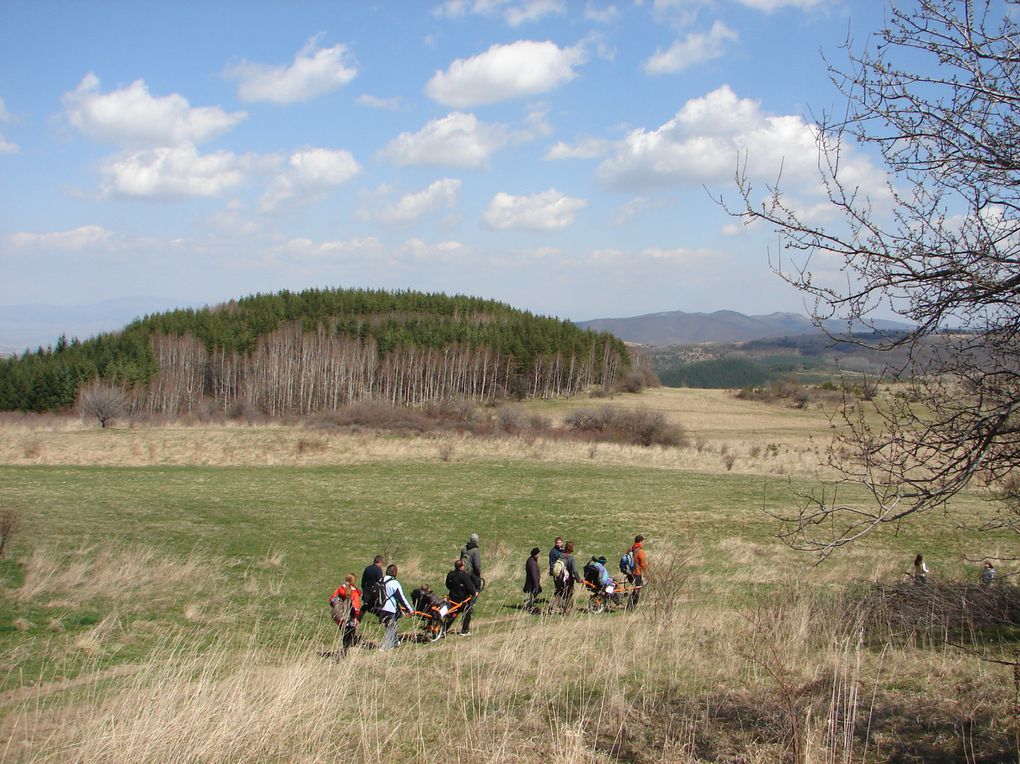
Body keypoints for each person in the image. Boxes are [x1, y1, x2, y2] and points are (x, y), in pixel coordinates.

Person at [376, 564, 413, 650]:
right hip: (389, 608)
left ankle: (396, 642)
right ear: (395, 573)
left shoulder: (381, 580)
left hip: (380, 608)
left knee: (391, 625)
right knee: (391, 627)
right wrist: (409, 609)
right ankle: (385, 647)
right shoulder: (394, 583)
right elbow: (401, 598)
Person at [329, 574, 363, 652]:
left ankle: (343, 651)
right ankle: (345, 653)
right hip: (351, 618)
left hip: (341, 618)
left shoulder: (340, 589)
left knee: (344, 635)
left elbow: (331, 600)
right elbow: (356, 608)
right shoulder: (354, 592)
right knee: (350, 637)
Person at [445, 559, 479, 635]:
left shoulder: (450, 574)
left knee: (452, 614)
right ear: (461, 567)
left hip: (453, 597)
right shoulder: (464, 576)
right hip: (463, 599)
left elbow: (447, 584)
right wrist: (473, 593)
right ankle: (465, 630)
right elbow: (470, 587)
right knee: (467, 613)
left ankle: (443, 629)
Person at [551, 541, 581, 613]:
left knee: (559, 593)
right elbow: (575, 571)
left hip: (559, 579)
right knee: (570, 594)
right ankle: (567, 611)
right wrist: (578, 579)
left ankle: (552, 607)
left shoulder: (560, 555)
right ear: (571, 549)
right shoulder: (571, 558)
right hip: (568, 580)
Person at [628, 535, 648, 610]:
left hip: (630, 572)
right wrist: (646, 573)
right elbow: (643, 563)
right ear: (640, 541)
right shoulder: (640, 551)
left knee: (634, 589)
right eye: (643, 542)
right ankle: (631, 606)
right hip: (637, 573)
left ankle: (631, 605)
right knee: (637, 590)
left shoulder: (632, 550)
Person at [523, 547, 542, 612]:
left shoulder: (531, 560)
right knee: (534, 592)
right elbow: (534, 574)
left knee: (533, 593)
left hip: (531, 580)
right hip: (532, 581)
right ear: (535, 554)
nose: (539, 555)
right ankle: (530, 605)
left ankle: (530, 604)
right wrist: (536, 584)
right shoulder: (532, 562)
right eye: (538, 554)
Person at [549, 537, 565, 602]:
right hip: (557, 572)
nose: (558, 544)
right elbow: (551, 563)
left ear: (562, 542)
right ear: (555, 543)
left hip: (563, 571)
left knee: (563, 587)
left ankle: (561, 601)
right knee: (558, 587)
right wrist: (553, 572)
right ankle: (557, 601)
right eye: (557, 543)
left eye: (560, 542)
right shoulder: (553, 552)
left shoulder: (562, 550)